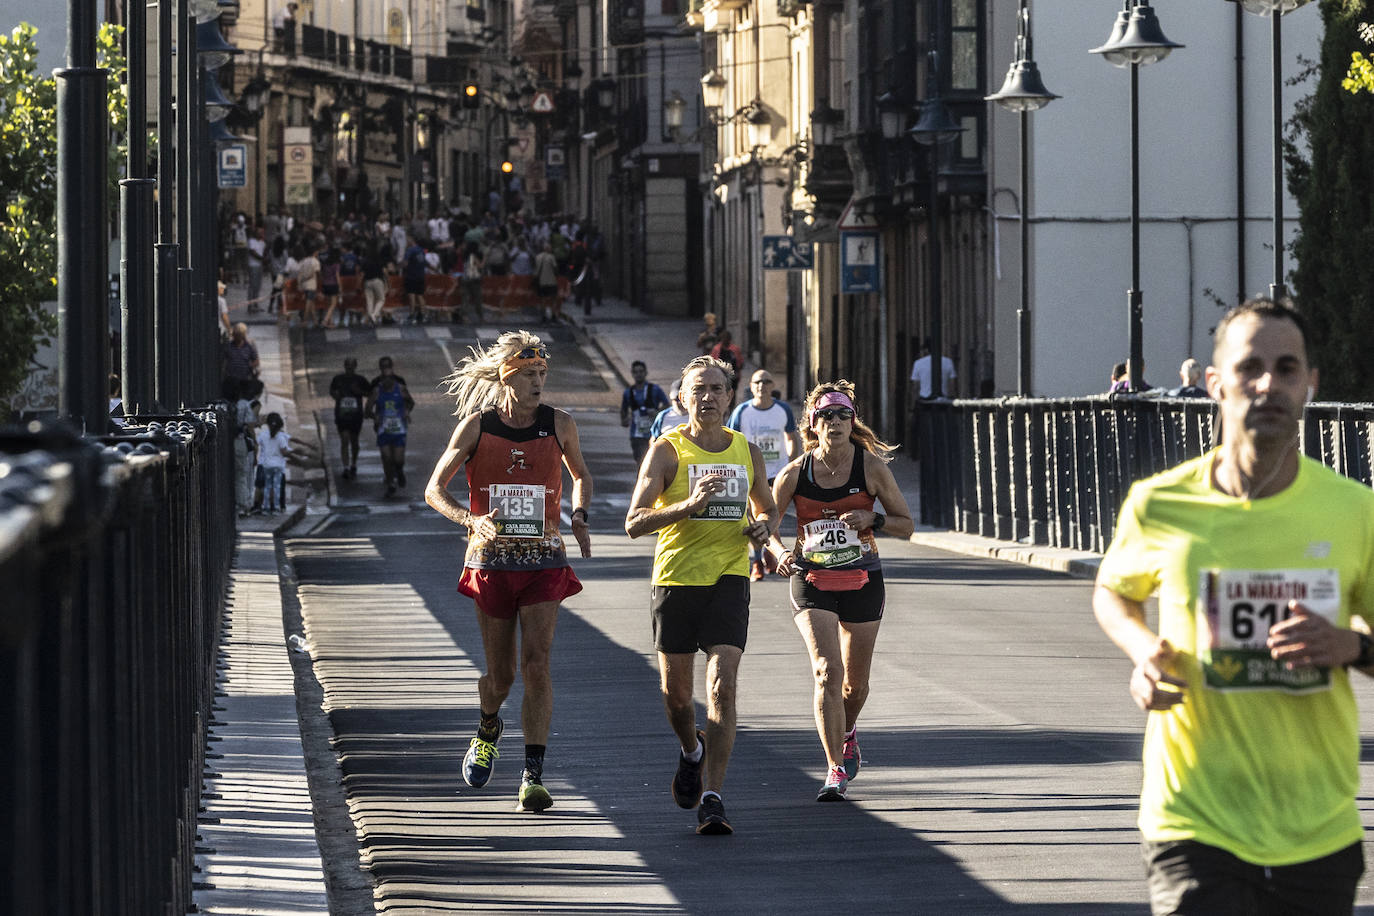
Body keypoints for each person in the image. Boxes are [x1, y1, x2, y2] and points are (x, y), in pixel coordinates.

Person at [1092, 297, 1374, 915]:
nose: (1268, 383)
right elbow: (1115, 591)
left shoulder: (1355, 512)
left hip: (1316, 825)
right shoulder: (1158, 503)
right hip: (1193, 818)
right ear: (1216, 384)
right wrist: (1145, 653)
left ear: (1310, 386)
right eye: (1250, 367)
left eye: (1287, 368)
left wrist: (1352, 646)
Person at [424, 332, 593, 813]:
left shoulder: (559, 424)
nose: (539, 382)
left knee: (537, 665)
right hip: (492, 561)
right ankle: (487, 726)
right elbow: (434, 489)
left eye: (543, 374)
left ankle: (532, 775)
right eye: (529, 375)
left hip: (544, 558)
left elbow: (580, 474)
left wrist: (578, 516)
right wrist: (470, 519)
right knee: (501, 676)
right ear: (507, 377)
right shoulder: (476, 428)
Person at [625, 355, 779, 836]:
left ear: (731, 397)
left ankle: (713, 797)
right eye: (699, 390)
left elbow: (769, 509)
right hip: (675, 579)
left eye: (717, 388)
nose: (708, 397)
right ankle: (691, 751)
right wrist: (689, 506)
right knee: (676, 698)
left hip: (728, 578)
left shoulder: (746, 452)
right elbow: (633, 523)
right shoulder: (667, 452)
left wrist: (764, 532)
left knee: (722, 687)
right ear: (681, 399)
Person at [765, 381, 914, 801]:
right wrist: (777, 552)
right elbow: (767, 527)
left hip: (862, 578)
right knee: (827, 671)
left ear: (853, 422)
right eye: (826, 415)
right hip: (811, 578)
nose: (835, 422)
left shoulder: (871, 469)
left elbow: (906, 523)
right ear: (813, 425)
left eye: (842, 414)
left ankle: (847, 730)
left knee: (855, 686)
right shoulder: (795, 473)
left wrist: (874, 520)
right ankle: (834, 769)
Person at [728, 368, 802, 580]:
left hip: (776, 473)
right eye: (757, 382)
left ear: (772, 386)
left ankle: (769, 553)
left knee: (771, 515)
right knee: (755, 517)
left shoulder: (783, 410)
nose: (761, 386)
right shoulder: (741, 412)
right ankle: (759, 560)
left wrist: (791, 464)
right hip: (750, 472)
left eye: (766, 382)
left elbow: (791, 438)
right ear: (751, 387)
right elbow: (731, 440)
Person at [365, 357, 415, 497]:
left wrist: (406, 411)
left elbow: (410, 402)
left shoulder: (401, 386)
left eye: (390, 379)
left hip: (399, 428)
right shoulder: (376, 388)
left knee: (398, 459)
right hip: (383, 428)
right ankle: (390, 482)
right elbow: (367, 409)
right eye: (385, 379)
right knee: (387, 457)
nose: (388, 382)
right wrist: (375, 417)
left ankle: (398, 471)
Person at [621, 361, 670, 466]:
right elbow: (623, 410)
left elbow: (667, 405)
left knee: (654, 462)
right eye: (636, 372)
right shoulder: (628, 392)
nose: (638, 374)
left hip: (653, 433)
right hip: (637, 435)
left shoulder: (655, 389)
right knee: (641, 462)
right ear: (632, 374)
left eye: (641, 371)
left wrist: (657, 412)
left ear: (645, 372)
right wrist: (625, 419)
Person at [330, 357, 370, 480]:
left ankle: (353, 463)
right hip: (342, 415)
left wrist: (358, 391)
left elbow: (369, 393)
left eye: (352, 365)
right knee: (344, 439)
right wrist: (336, 395)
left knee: (354, 440)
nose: (349, 367)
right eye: (347, 365)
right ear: (344, 366)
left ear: (355, 366)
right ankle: (346, 467)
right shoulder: (338, 379)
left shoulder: (360, 380)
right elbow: (332, 391)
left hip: (356, 415)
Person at [255, 412, 293, 514]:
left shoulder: (263, 435)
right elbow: (284, 451)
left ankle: (266, 507)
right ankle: (275, 507)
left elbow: (256, 443)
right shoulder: (281, 436)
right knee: (276, 486)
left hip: (267, 465)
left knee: (267, 486)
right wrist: (294, 453)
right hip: (278, 466)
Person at [401, 235, 428, 324]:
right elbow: (424, 262)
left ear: (411, 240)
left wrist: (400, 267)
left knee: (411, 295)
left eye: (407, 240)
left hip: (411, 276)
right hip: (421, 276)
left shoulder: (409, 250)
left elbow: (405, 262)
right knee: (420, 295)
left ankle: (412, 314)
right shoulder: (421, 250)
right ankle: (423, 315)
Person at [296, 243, 321, 328]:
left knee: (311, 303)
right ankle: (305, 320)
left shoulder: (303, 261)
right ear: (314, 252)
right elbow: (318, 274)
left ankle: (315, 321)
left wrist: (299, 283)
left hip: (304, 285)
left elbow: (299, 273)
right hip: (312, 284)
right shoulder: (316, 261)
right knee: (309, 302)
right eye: (317, 251)